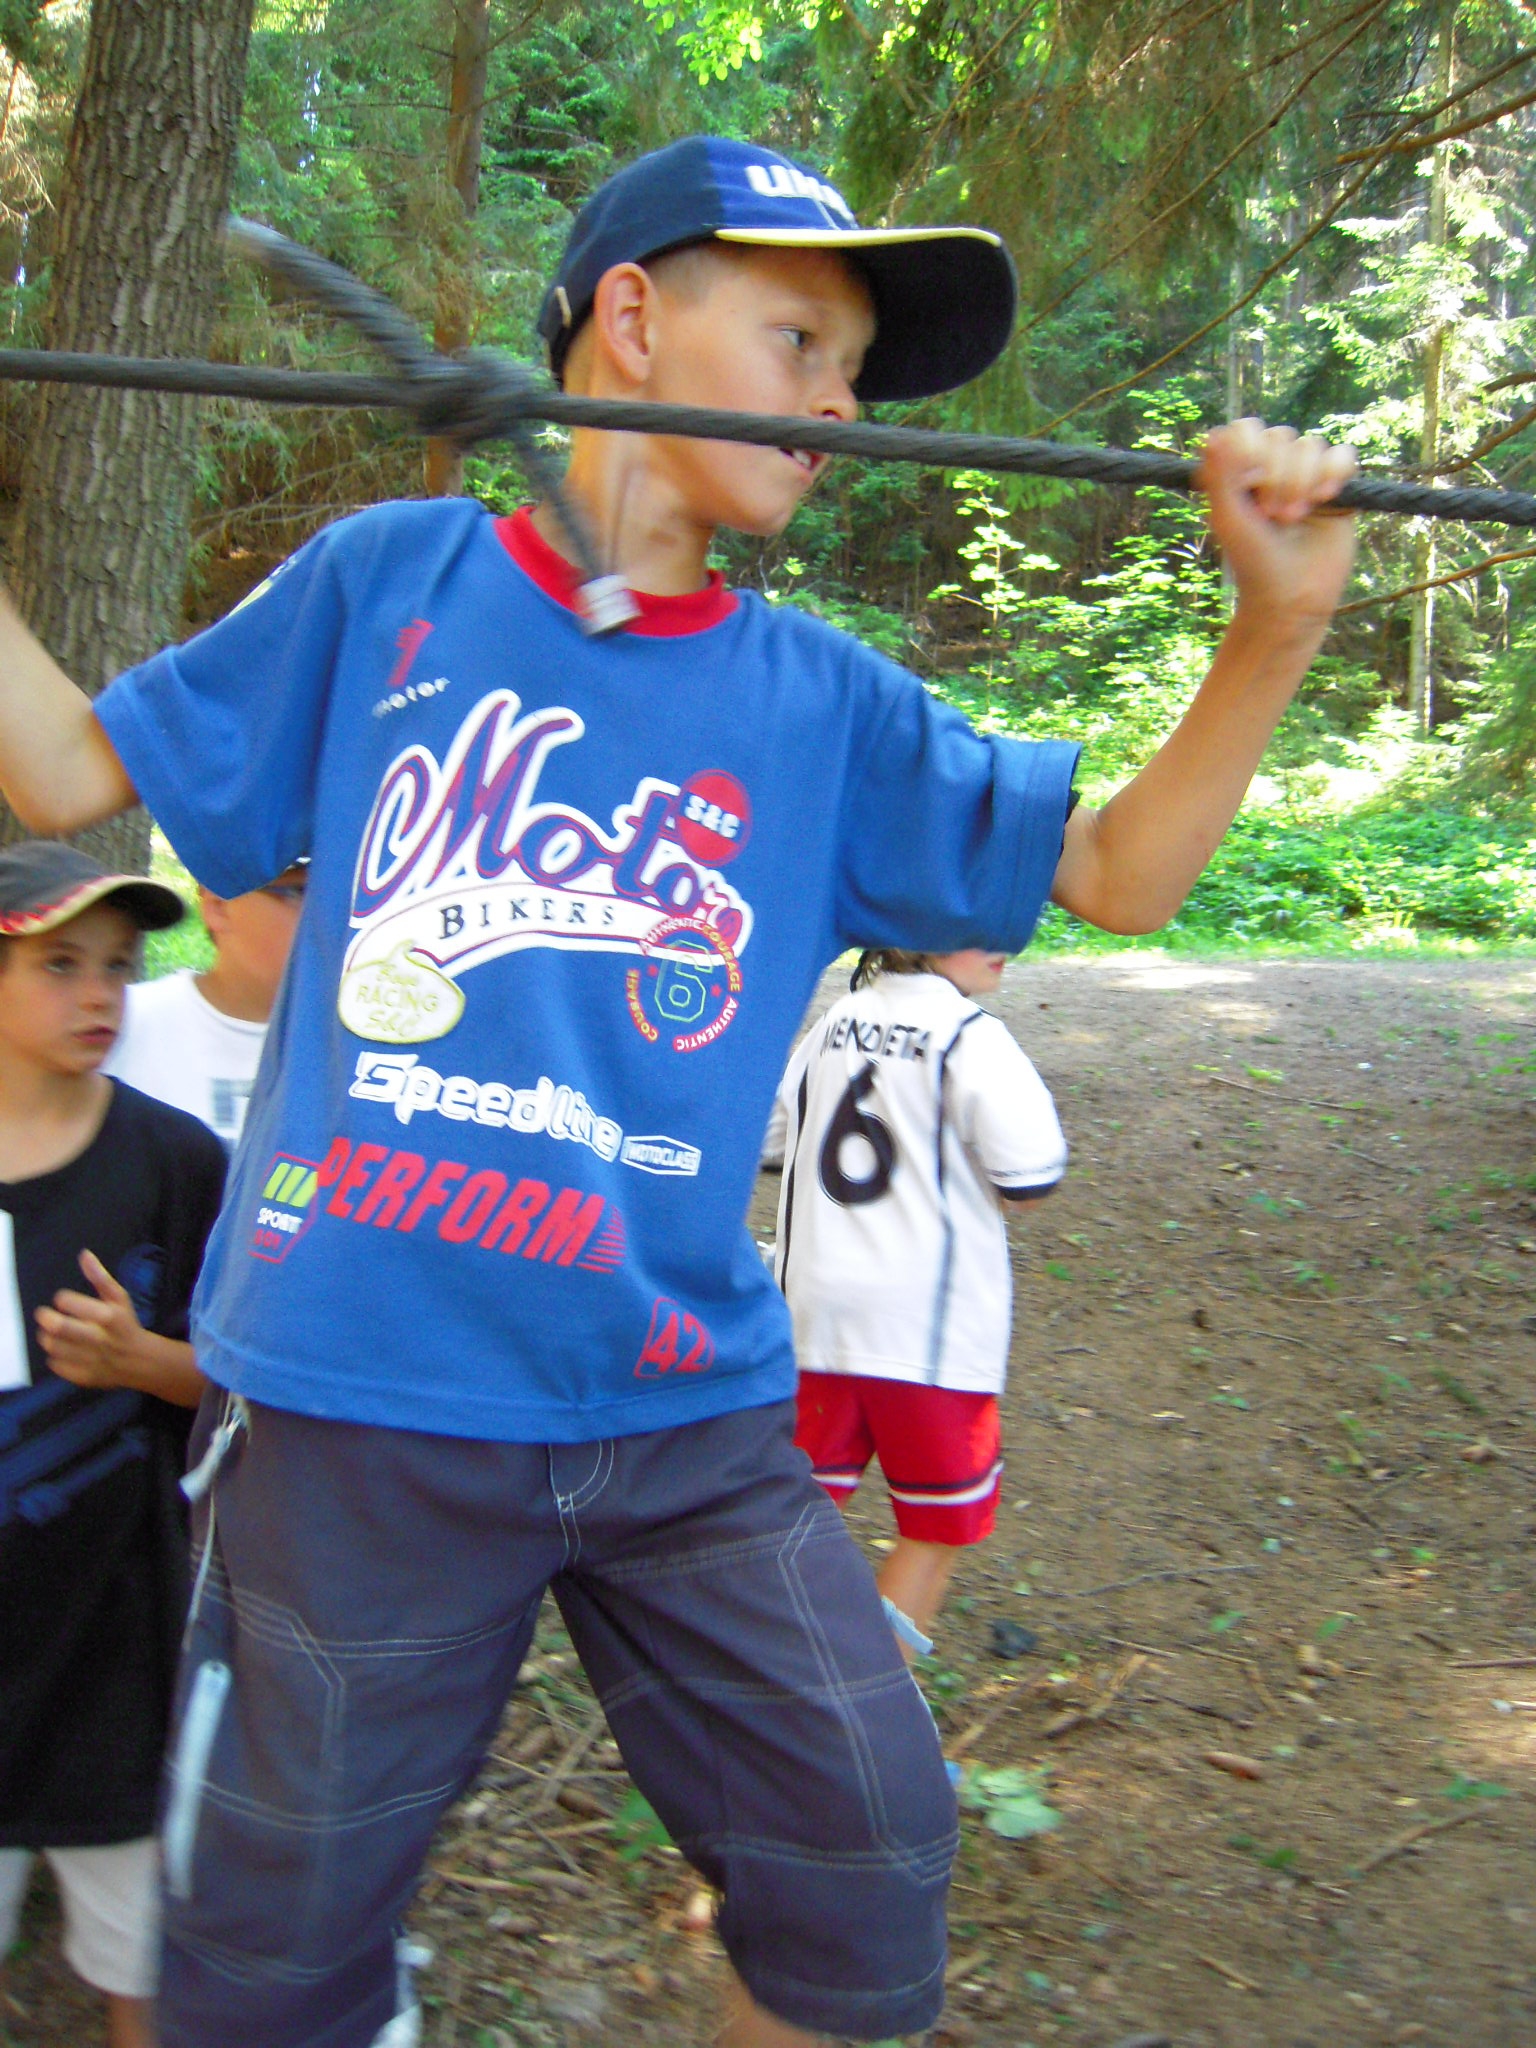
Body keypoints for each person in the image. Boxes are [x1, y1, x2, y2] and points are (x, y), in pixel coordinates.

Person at [0, 134, 1357, 2048]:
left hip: (681, 1411)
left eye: (855, 372)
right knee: (270, 1969)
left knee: (865, 1852)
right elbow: (68, 771)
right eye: (802, 341)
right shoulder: (391, 583)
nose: (839, 404)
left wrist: (1276, 624)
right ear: (629, 319)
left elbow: (1119, 871)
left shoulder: (824, 702)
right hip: (362, 1405)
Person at [0, 843, 227, 2048]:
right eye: (60, 964)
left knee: (144, 1971)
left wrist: (142, 1360)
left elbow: (247, 1393)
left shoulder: (175, 1162)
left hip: (116, 1654)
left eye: (120, 966)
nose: (101, 994)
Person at [765, 944, 1065, 1663]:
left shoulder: (834, 1020)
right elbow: (1030, 1177)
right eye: (979, 925)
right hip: (927, 1332)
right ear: (920, 930)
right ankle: (871, 1712)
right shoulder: (972, 1036)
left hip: (812, 1315)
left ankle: (763, 1694)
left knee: (791, 1520)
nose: (1005, 943)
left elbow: (774, 1142)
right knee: (935, 1528)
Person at [105, 865, 307, 1147]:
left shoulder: (358, 1045)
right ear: (218, 905)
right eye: (299, 892)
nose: (329, 915)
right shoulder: (115, 1023)